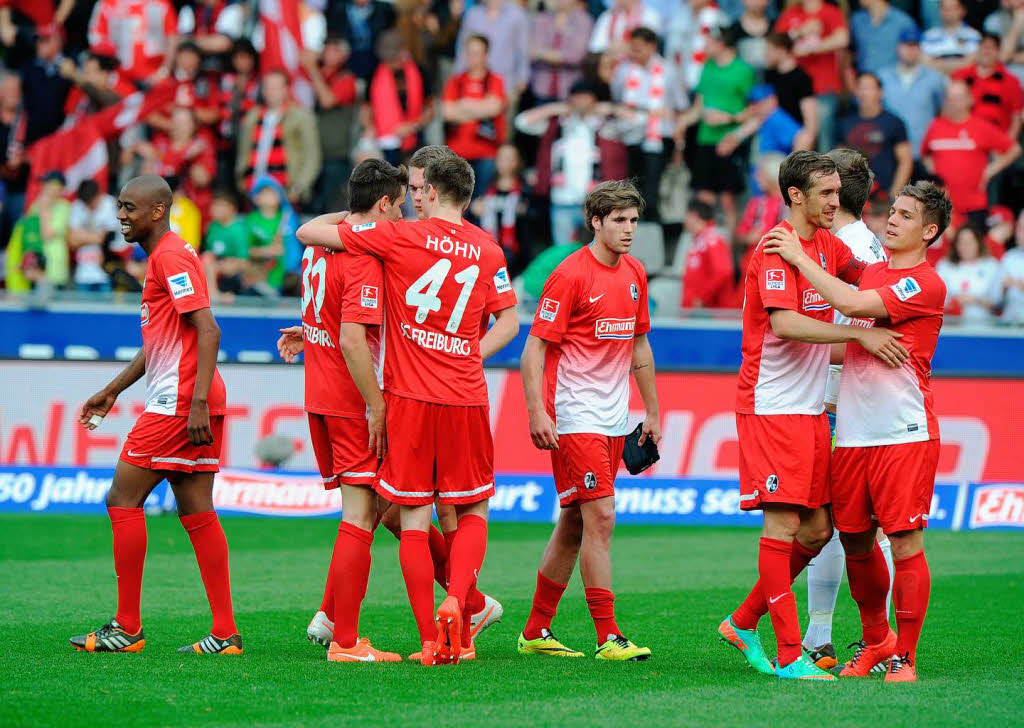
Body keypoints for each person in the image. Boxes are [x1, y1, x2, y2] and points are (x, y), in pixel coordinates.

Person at [296, 155, 519, 665]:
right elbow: (508, 322)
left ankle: (426, 640)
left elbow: (311, 232)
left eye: (419, 190)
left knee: (411, 518)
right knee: (471, 509)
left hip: (408, 399)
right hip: (465, 395)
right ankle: (462, 609)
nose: (412, 198)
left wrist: (354, 217)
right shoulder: (488, 250)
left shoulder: (400, 239)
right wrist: (469, 352)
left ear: (436, 192)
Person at [717, 151, 908, 681]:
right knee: (782, 524)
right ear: (796, 195)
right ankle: (788, 654)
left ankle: (742, 621)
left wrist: (911, 269)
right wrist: (858, 333)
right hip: (771, 404)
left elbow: (869, 282)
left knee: (820, 528)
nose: (836, 201)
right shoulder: (777, 247)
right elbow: (785, 325)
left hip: (808, 409)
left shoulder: (825, 244)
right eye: (825, 192)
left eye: (838, 191)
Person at [762, 180, 953, 683]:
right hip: (852, 433)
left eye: (907, 216)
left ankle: (904, 656)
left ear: (929, 231)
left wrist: (802, 262)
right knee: (855, 542)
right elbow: (860, 340)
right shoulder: (874, 270)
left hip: (902, 431)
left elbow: (856, 305)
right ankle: (874, 643)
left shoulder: (924, 283)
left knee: (906, 542)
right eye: (893, 211)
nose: (893, 220)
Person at [70, 175, 240, 655]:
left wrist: (198, 402)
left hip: (181, 403)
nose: (121, 216)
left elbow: (208, 330)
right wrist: (112, 390)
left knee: (122, 498)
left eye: (129, 208)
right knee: (197, 511)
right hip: (190, 398)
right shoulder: (165, 257)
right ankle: (225, 634)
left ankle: (126, 626)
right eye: (119, 207)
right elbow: (162, 342)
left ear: (158, 210)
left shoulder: (168, 256)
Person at [518, 180, 660, 661]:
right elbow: (534, 348)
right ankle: (608, 636)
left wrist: (652, 411)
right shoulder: (570, 275)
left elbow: (639, 345)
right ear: (595, 222)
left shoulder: (636, 273)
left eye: (634, 220)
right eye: (618, 220)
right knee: (601, 514)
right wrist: (537, 409)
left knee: (575, 522)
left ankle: (536, 630)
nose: (628, 229)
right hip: (574, 415)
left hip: (615, 419)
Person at [282, 160, 409, 663]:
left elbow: (328, 315)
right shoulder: (362, 259)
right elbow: (354, 340)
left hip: (320, 394)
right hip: (353, 399)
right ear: (383, 204)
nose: (400, 216)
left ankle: (331, 614)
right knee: (365, 513)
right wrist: (376, 405)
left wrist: (307, 329)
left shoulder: (319, 243)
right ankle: (347, 640)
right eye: (397, 206)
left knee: (389, 509)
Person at [800, 148, 894, 671]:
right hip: (857, 397)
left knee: (841, 522)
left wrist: (791, 336)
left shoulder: (841, 248)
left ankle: (832, 635)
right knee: (850, 523)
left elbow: (860, 334)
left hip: (840, 397)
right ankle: (842, 636)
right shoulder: (869, 245)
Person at [515, 81, 630, 247]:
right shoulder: (556, 125)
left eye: (586, 98)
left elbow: (639, 121)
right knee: (563, 254)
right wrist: (554, 108)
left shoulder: (606, 126)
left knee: (598, 253)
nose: (581, 103)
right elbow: (522, 122)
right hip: (563, 201)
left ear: (594, 101)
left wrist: (609, 108)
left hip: (596, 202)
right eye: (577, 98)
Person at [678, 25, 754, 233]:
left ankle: (730, 257)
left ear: (721, 44)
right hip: (705, 140)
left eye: (709, 42)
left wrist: (727, 118)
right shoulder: (707, 67)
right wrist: (681, 122)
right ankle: (705, 251)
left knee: (728, 200)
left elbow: (755, 111)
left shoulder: (743, 71)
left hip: (729, 141)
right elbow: (698, 108)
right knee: (704, 198)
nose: (704, 46)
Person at [611, 26, 686, 226]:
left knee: (653, 188)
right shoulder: (624, 70)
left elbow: (680, 106)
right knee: (633, 185)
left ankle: (652, 228)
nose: (635, 53)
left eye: (639, 48)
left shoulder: (668, 71)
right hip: (631, 134)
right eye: (632, 48)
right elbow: (618, 99)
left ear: (652, 46)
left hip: (659, 135)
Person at [921, 81, 1021, 228]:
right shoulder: (935, 126)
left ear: (970, 99)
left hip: (974, 205)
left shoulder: (981, 127)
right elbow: (925, 154)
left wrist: (990, 171)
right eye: (949, 99)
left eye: (958, 98)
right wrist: (934, 173)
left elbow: (1014, 149)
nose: (953, 103)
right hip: (942, 206)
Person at [236, 69, 322, 207]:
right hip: (254, 193)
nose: (271, 91)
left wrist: (298, 189)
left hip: (286, 193)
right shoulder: (252, 117)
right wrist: (242, 182)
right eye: (267, 87)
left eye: (276, 87)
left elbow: (311, 157)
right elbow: (244, 153)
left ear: (286, 89)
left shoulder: (301, 117)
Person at [774, 0, 848, 150]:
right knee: (796, 140)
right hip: (795, 90)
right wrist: (800, 32)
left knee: (825, 143)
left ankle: (826, 174)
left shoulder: (830, 12)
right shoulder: (791, 13)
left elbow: (842, 39)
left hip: (823, 86)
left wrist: (812, 48)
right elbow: (777, 41)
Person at [442, 35, 507, 201]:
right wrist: (480, 108)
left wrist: (463, 104)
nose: (473, 57)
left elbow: (494, 108)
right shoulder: (456, 81)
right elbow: (447, 112)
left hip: (486, 153)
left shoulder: (495, 80)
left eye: (477, 53)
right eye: (470, 53)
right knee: (458, 204)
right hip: (458, 154)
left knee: (481, 203)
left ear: (486, 54)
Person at [837, 73, 914, 200]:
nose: (864, 93)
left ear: (880, 92)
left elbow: (905, 161)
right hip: (854, 197)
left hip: (884, 195)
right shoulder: (845, 123)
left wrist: (894, 195)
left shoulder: (894, 122)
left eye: (868, 88)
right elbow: (839, 161)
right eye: (860, 87)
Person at [878, 29, 948, 165]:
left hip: (923, 153)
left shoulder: (935, 78)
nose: (911, 50)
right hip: (888, 151)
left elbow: (942, 110)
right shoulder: (883, 77)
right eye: (906, 45)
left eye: (915, 45)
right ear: (898, 47)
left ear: (920, 48)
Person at [951, 33, 1024, 139]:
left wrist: (1007, 148)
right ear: (977, 50)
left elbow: (1016, 118)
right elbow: (948, 110)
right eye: (984, 46)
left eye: (991, 47)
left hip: (995, 142)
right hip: (962, 141)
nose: (987, 51)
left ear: (998, 52)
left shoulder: (1011, 82)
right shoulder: (960, 76)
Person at [528, 0, 594, 104]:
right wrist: (560, 55)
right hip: (542, 87)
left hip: (570, 89)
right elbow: (531, 51)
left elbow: (576, 56)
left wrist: (541, 53)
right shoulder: (542, 19)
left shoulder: (583, 20)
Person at [68, 179, 124, 293]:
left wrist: (81, 235)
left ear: (99, 195)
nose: (90, 207)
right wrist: (95, 236)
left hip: (105, 273)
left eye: (92, 203)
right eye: (87, 204)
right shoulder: (76, 207)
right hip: (82, 274)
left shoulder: (109, 204)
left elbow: (103, 239)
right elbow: (71, 242)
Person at [936, 225, 1000, 323]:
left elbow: (997, 301)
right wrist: (953, 302)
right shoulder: (944, 265)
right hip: (950, 324)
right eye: (961, 242)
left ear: (978, 243)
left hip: (984, 324)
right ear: (955, 244)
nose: (965, 246)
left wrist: (974, 300)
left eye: (970, 242)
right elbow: (936, 300)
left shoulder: (991, 265)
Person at [681, 200, 735, 309]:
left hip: (710, 314)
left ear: (694, 216)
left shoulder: (712, 240)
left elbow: (723, 271)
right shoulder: (701, 240)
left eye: (687, 216)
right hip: (698, 311)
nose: (685, 220)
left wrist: (702, 298)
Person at [849, 0, 918, 76]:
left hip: (893, 82)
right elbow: (849, 53)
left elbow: (914, 53)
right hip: (864, 82)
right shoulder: (857, 20)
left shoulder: (903, 21)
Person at [921, 0, 980, 75]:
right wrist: (960, 63)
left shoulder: (974, 36)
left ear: (962, 10)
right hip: (936, 84)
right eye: (945, 8)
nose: (948, 12)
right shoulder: (928, 36)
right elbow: (925, 64)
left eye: (952, 8)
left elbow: (972, 63)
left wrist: (938, 64)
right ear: (939, 11)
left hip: (964, 83)